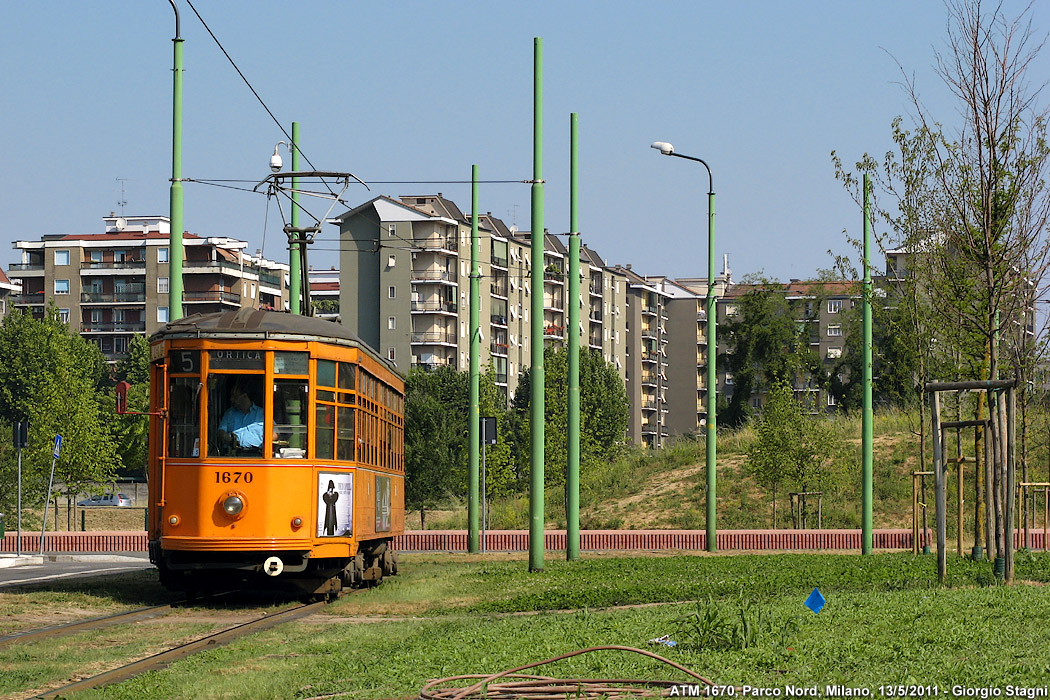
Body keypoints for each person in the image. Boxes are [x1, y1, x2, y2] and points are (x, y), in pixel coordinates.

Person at [215, 382, 264, 453]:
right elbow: (221, 432)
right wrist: (230, 441)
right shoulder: (229, 413)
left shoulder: (262, 413)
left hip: (257, 455)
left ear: (244, 396)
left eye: (235, 396)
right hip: (234, 454)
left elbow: (275, 433)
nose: (231, 399)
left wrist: (268, 439)